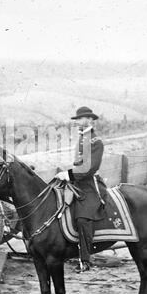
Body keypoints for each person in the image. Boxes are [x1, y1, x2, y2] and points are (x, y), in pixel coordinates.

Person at [55, 106, 107, 273]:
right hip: (78, 182)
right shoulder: (82, 139)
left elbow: (89, 168)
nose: (77, 122)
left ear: (90, 120)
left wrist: (68, 174)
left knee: (83, 219)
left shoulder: (96, 142)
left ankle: (85, 260)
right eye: (77, 119)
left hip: (90, 185)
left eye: (80, 119)